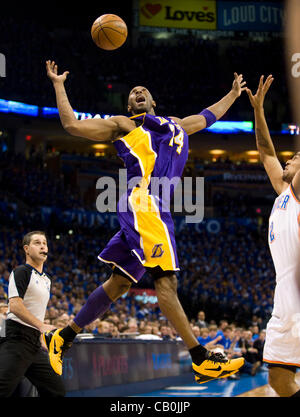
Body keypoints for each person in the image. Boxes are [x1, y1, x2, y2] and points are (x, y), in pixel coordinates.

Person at [43, 60, 246, 384]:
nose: (138, 92)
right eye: (133, 92)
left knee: (120, 283)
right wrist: (58, 85)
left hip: (158, 206)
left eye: (143, 91)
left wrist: (233, 95)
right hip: (144, 202)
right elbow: (70, 125)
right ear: (129, 104)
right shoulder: (124, 124)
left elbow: (208, 116)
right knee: (166, 282)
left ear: (154, 102)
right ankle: (201, 359)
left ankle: (62, 338)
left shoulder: (176, 123)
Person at [246, 75, 300, 397]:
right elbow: (266, 152)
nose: (289, 159)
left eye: (294, 158)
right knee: (278, 380)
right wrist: (259, 110)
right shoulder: (283, 191)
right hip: (284, 299)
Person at [0, 231, 65, 397]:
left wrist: (40, 336)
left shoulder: (47, 280)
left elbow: (36, 310)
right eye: (37, 243)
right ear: (27, 249)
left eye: (44, 243)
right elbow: (14, 306)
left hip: (34, 343)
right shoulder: (21, 271)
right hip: (17, 340)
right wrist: (41, 325)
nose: (43, 246)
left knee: (56, 391)